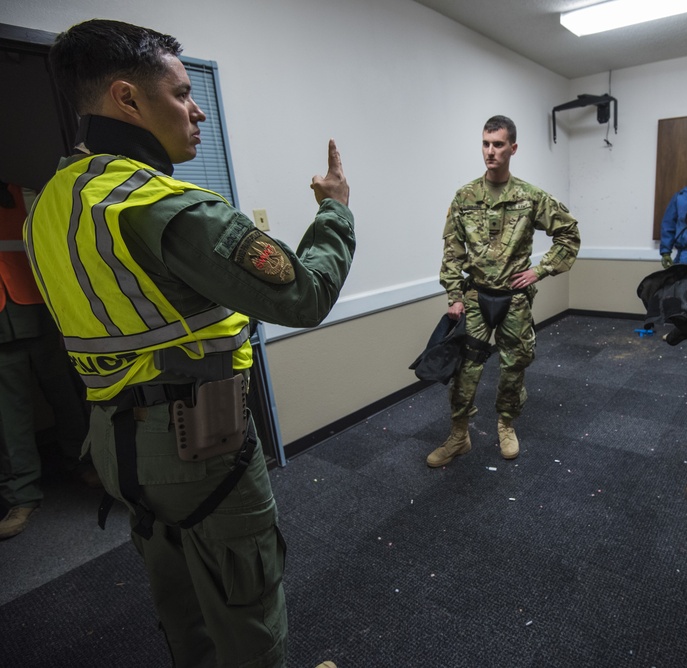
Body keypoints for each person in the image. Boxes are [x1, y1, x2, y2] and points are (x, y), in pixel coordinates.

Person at [24, 19, 355, 667]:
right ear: (126, 99)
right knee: (246, 601)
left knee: (181, 603)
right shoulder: (166, 206)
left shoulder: (55, 200)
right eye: (180, 93)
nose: (197, 108)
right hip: (200, 440)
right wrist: (335, 210)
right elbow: (306, 295)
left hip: (116, 446)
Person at [428, 115, 580, 467]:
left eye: (498, 144)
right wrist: (453, 295)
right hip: (475, 297)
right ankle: (459, 434)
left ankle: (506, 424)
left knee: (514, 365)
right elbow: (452, 250)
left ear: (513, 148)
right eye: (485, 143)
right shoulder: (465, 196)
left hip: (514, 300)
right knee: (465, 368)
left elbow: (569, 233)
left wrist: (540, 270)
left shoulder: (529, 197)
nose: (490, 151)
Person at [0, 182, 94, 540]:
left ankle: (84, 463)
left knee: (68, 398)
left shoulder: (23, 196)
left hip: (40, 314)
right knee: (9, 416)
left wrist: (67, 315)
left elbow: (57, 255)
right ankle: (21, 496)